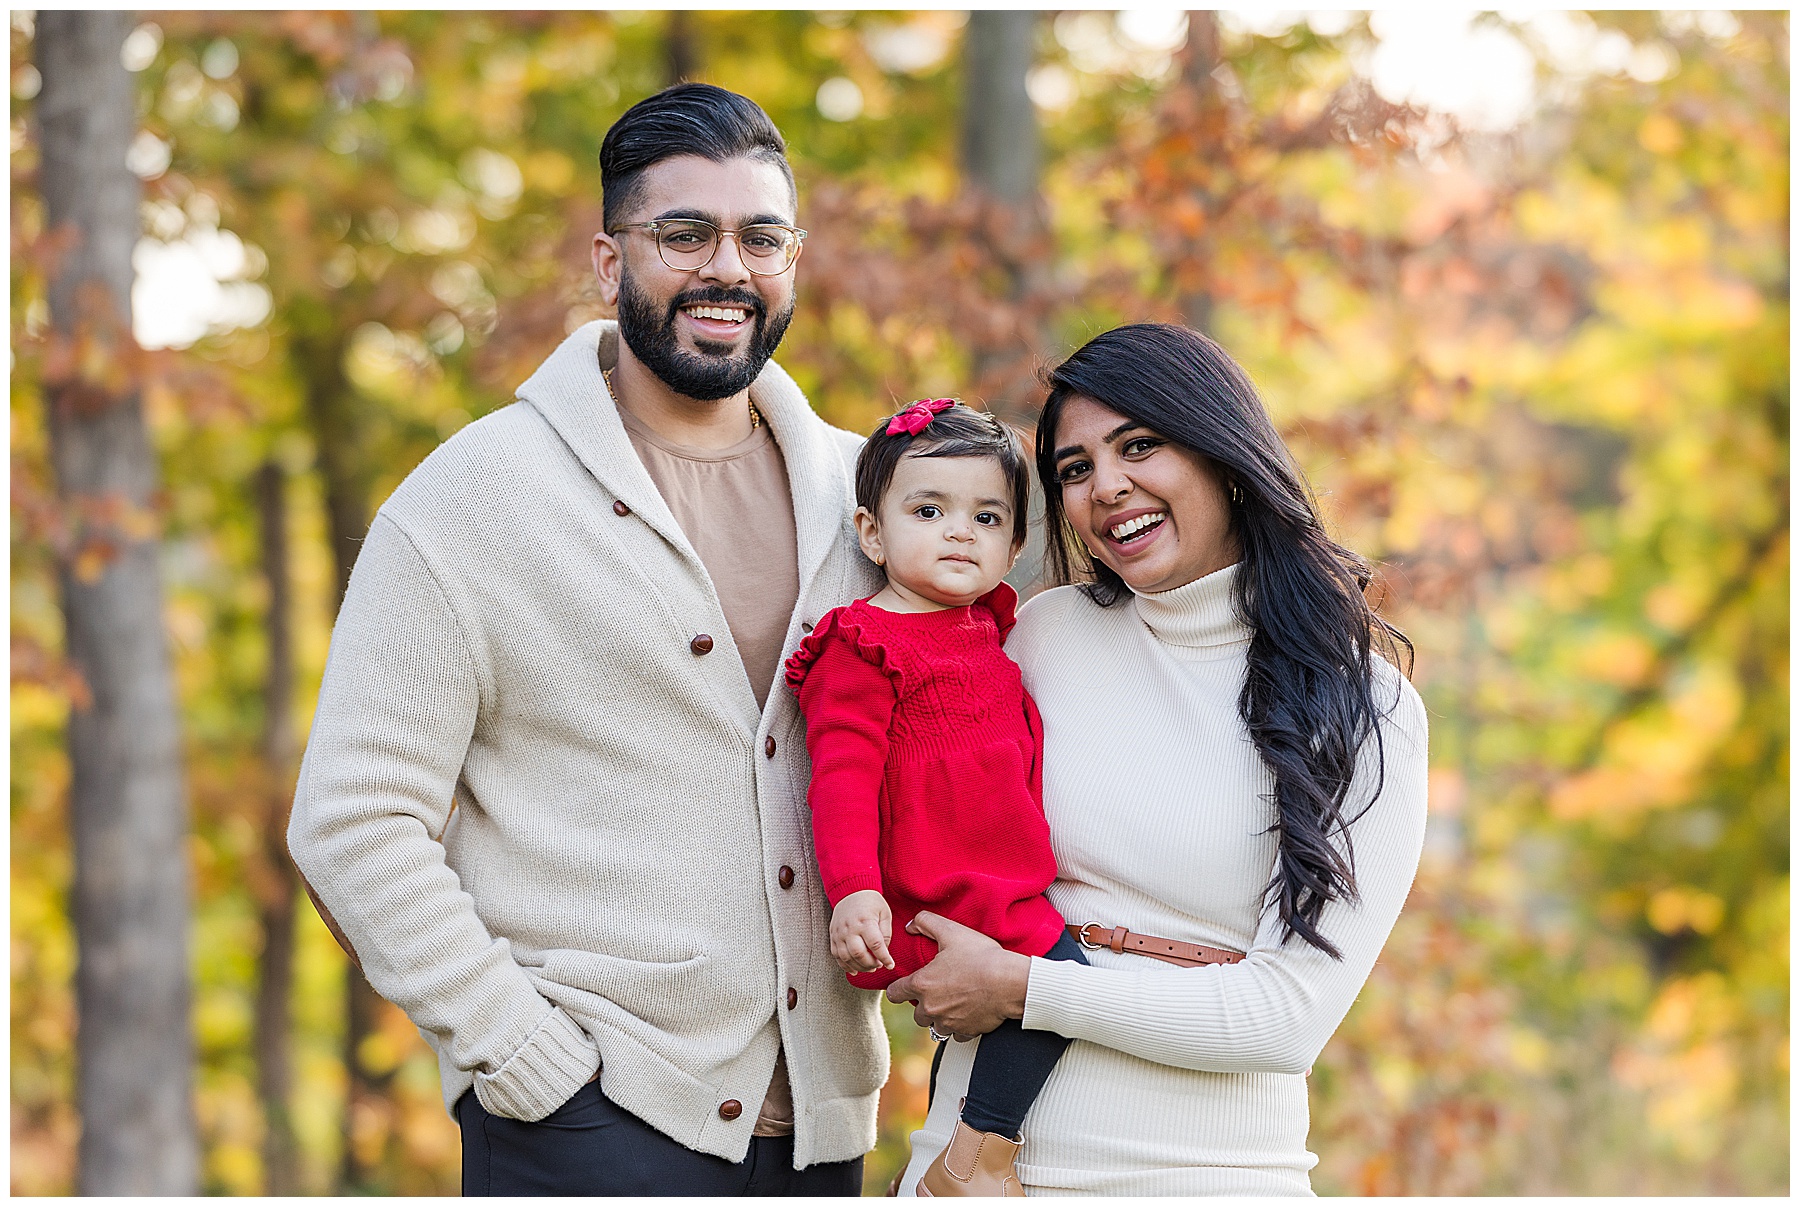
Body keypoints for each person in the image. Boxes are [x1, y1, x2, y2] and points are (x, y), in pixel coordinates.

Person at [287, 83, 887, 1195]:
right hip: (589, 1121)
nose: (728, 269)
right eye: (685, 234)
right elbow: (352, 818)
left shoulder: (865, 496)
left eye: (762, 237)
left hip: (821, 1131)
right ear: (612, 264)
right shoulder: (473, 496)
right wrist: (522, 1057)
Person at [887, 324, 1430, 1196]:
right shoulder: (1042, 638)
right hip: (966, 1170)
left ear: (1222, 451)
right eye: (1074, 468)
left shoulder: (1367, 709)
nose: (1107, 486)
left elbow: (1286, 1017)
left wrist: (1025, 987)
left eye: (1140, 445)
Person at [784, 400, 1089, 1197]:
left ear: (1013, 546)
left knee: (1048, 983)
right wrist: (854, 891)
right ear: (872, 532)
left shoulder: (990, 628)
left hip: (1001, 887)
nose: (961, 532)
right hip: (933, 901)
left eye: (987, 517)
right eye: (930, 510)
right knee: (1060, 975)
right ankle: (976, 1153)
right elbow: (841, 779)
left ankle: (966, 1145)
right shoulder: (863, 643)